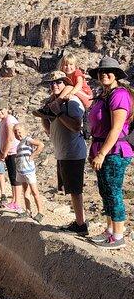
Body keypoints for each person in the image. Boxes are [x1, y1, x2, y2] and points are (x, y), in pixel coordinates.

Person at [87, 57, 133, 249]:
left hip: (115, 151)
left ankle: (119, 236)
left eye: (109, 71)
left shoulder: (119, 94)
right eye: (101, 72)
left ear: (116, 75)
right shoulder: (104, 95)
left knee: (114, 191)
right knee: (105, 190)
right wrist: (95, 151)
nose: (104, 74)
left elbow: (116, 129)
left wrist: (102, 153)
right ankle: (109, 231)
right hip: (102, 149)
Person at [40, 71, 88, 235]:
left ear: (66, 83)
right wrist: (45, 116)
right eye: (52, 83)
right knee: (72, 189)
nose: (54, 85)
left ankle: (81, 225)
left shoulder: (72, 102)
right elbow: (49, 130)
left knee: (75, 190)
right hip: (63, 152)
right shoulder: (55, 103)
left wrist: (58, 113)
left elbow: (76, 126)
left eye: (58, 82)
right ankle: (79, 222)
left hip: (73, 152)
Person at [33, 52, 92, 118]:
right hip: (78, 94)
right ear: (62, 66)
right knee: (54, 94)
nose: (68, 67)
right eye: (66, 65)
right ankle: (46, 107)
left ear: (75, 66)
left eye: (71, 64)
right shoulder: (64, 76)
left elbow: (79, 84)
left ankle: (56, 104)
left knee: (68, 87)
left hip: (87, 97)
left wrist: (71, 93)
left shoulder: (77, 72)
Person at [14, 123, 45, 222]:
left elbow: (40, 144)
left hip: (28, 170)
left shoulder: (27, 140)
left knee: (34, 191)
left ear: (24, 131)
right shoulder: (19, 144)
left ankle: (40, 212)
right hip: (21, 170)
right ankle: (28, 211)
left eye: (19, 131)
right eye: (15, 132)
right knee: (25, 191)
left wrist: (32, 156)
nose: (18, 134)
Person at [0, 101, 22, 210]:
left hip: (13, 152)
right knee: (12, 177)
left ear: (6, 109)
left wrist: (4, 152)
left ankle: (17, 202)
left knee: (15, 177)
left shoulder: (9, 120)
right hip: (8, 152)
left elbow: (10, 138)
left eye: (1, 110)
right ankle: (14, 200)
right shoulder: (2, 121)